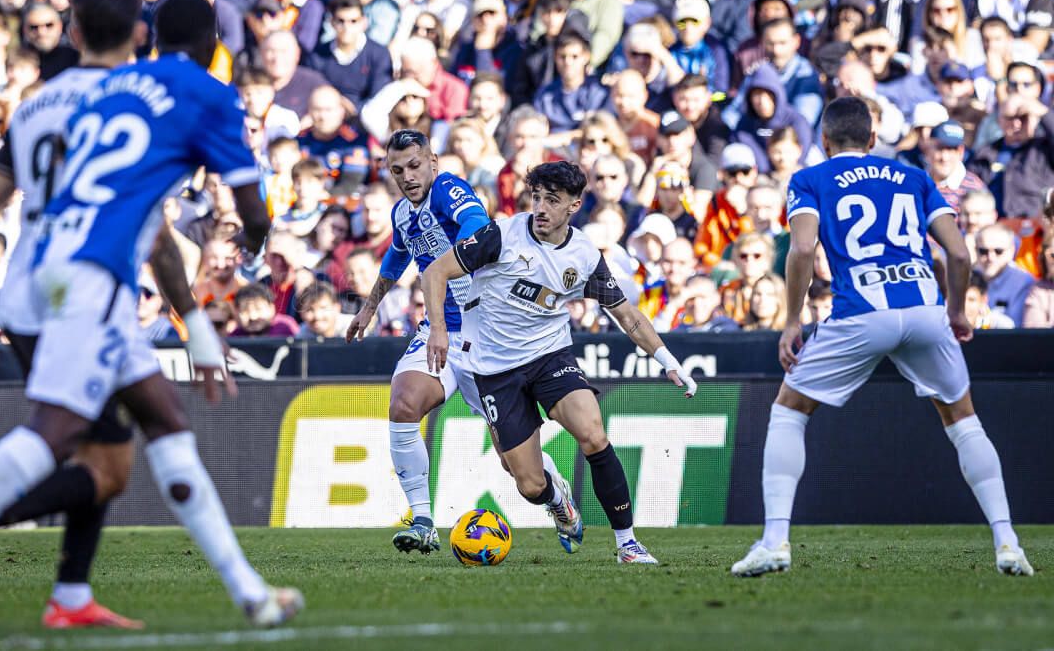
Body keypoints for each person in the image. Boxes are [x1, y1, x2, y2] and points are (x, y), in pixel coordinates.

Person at [0, 0, 302, 637]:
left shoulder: (87, 95)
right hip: (90, 280)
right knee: (60, 432)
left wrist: (200, 333)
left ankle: (243, 593)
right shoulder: (196, 96)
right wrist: (257, 244)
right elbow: (245, 212)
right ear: (212, 43)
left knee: (153, 425)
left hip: (44, 275)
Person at [730, 96, 1033, 578]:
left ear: (824, 142)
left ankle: (774, 541)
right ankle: (1008, 543)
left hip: (860, 311)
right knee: (963, 420)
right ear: (873, 140)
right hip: (923, 309)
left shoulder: (810, 179)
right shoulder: (914, 178)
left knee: (789, 409)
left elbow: (803, 247)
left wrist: (792, 320)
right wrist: (955, 312)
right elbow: (957, 254)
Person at [421, 160, 697, 563]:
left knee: (593, 433)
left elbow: (627, 315)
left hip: (550, 356)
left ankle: (627, 545)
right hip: (494, 370)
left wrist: (667, 359)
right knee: (529, 484)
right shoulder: (499, 236)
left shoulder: (584, 255)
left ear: (574, 205)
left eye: (553, 200)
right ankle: (557, 498)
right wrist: (439, 330)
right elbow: (434, 272)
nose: (541, 208)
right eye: (536, 198)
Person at [346, 128, 566, 553]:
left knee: (522, 474)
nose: (408, 176)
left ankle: (557, 498)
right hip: (439, 333)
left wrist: (451, 265)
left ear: (432, 162)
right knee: (403, 402)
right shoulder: (401, 214)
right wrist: (370, 307)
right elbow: (397, 255)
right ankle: (423, 519)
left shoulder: (448, 188)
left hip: (489, 336)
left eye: (414, 165)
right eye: (397, 170)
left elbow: (477, 225)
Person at [974, 223, 1035, 326]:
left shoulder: (1024, 282)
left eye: (998, 251)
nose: (990, 257)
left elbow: (1016, 328)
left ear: (1012, 251)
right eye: (983, 251)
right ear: (976, 250)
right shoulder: (966, 277)